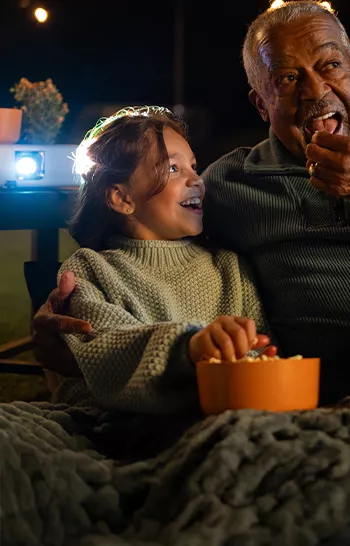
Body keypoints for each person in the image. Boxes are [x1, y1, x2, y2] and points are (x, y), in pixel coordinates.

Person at [33, 0, 350, 402]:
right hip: (338, 377)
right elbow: (149, 227)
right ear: (262, 104)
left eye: (330, 65)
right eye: (288, 78)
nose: (315, 91)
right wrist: (66, 319)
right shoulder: (232, 183)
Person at [49, 106, 274, 414]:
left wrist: (255, 356)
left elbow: (260, 348)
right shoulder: (91, 270)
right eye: (172, 169)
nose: (197, 180)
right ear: (122, 198)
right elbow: (106, 351)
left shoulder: (228, 267)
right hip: (115, 429)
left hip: (226, 414)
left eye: (194, 166)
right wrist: (190, 347)